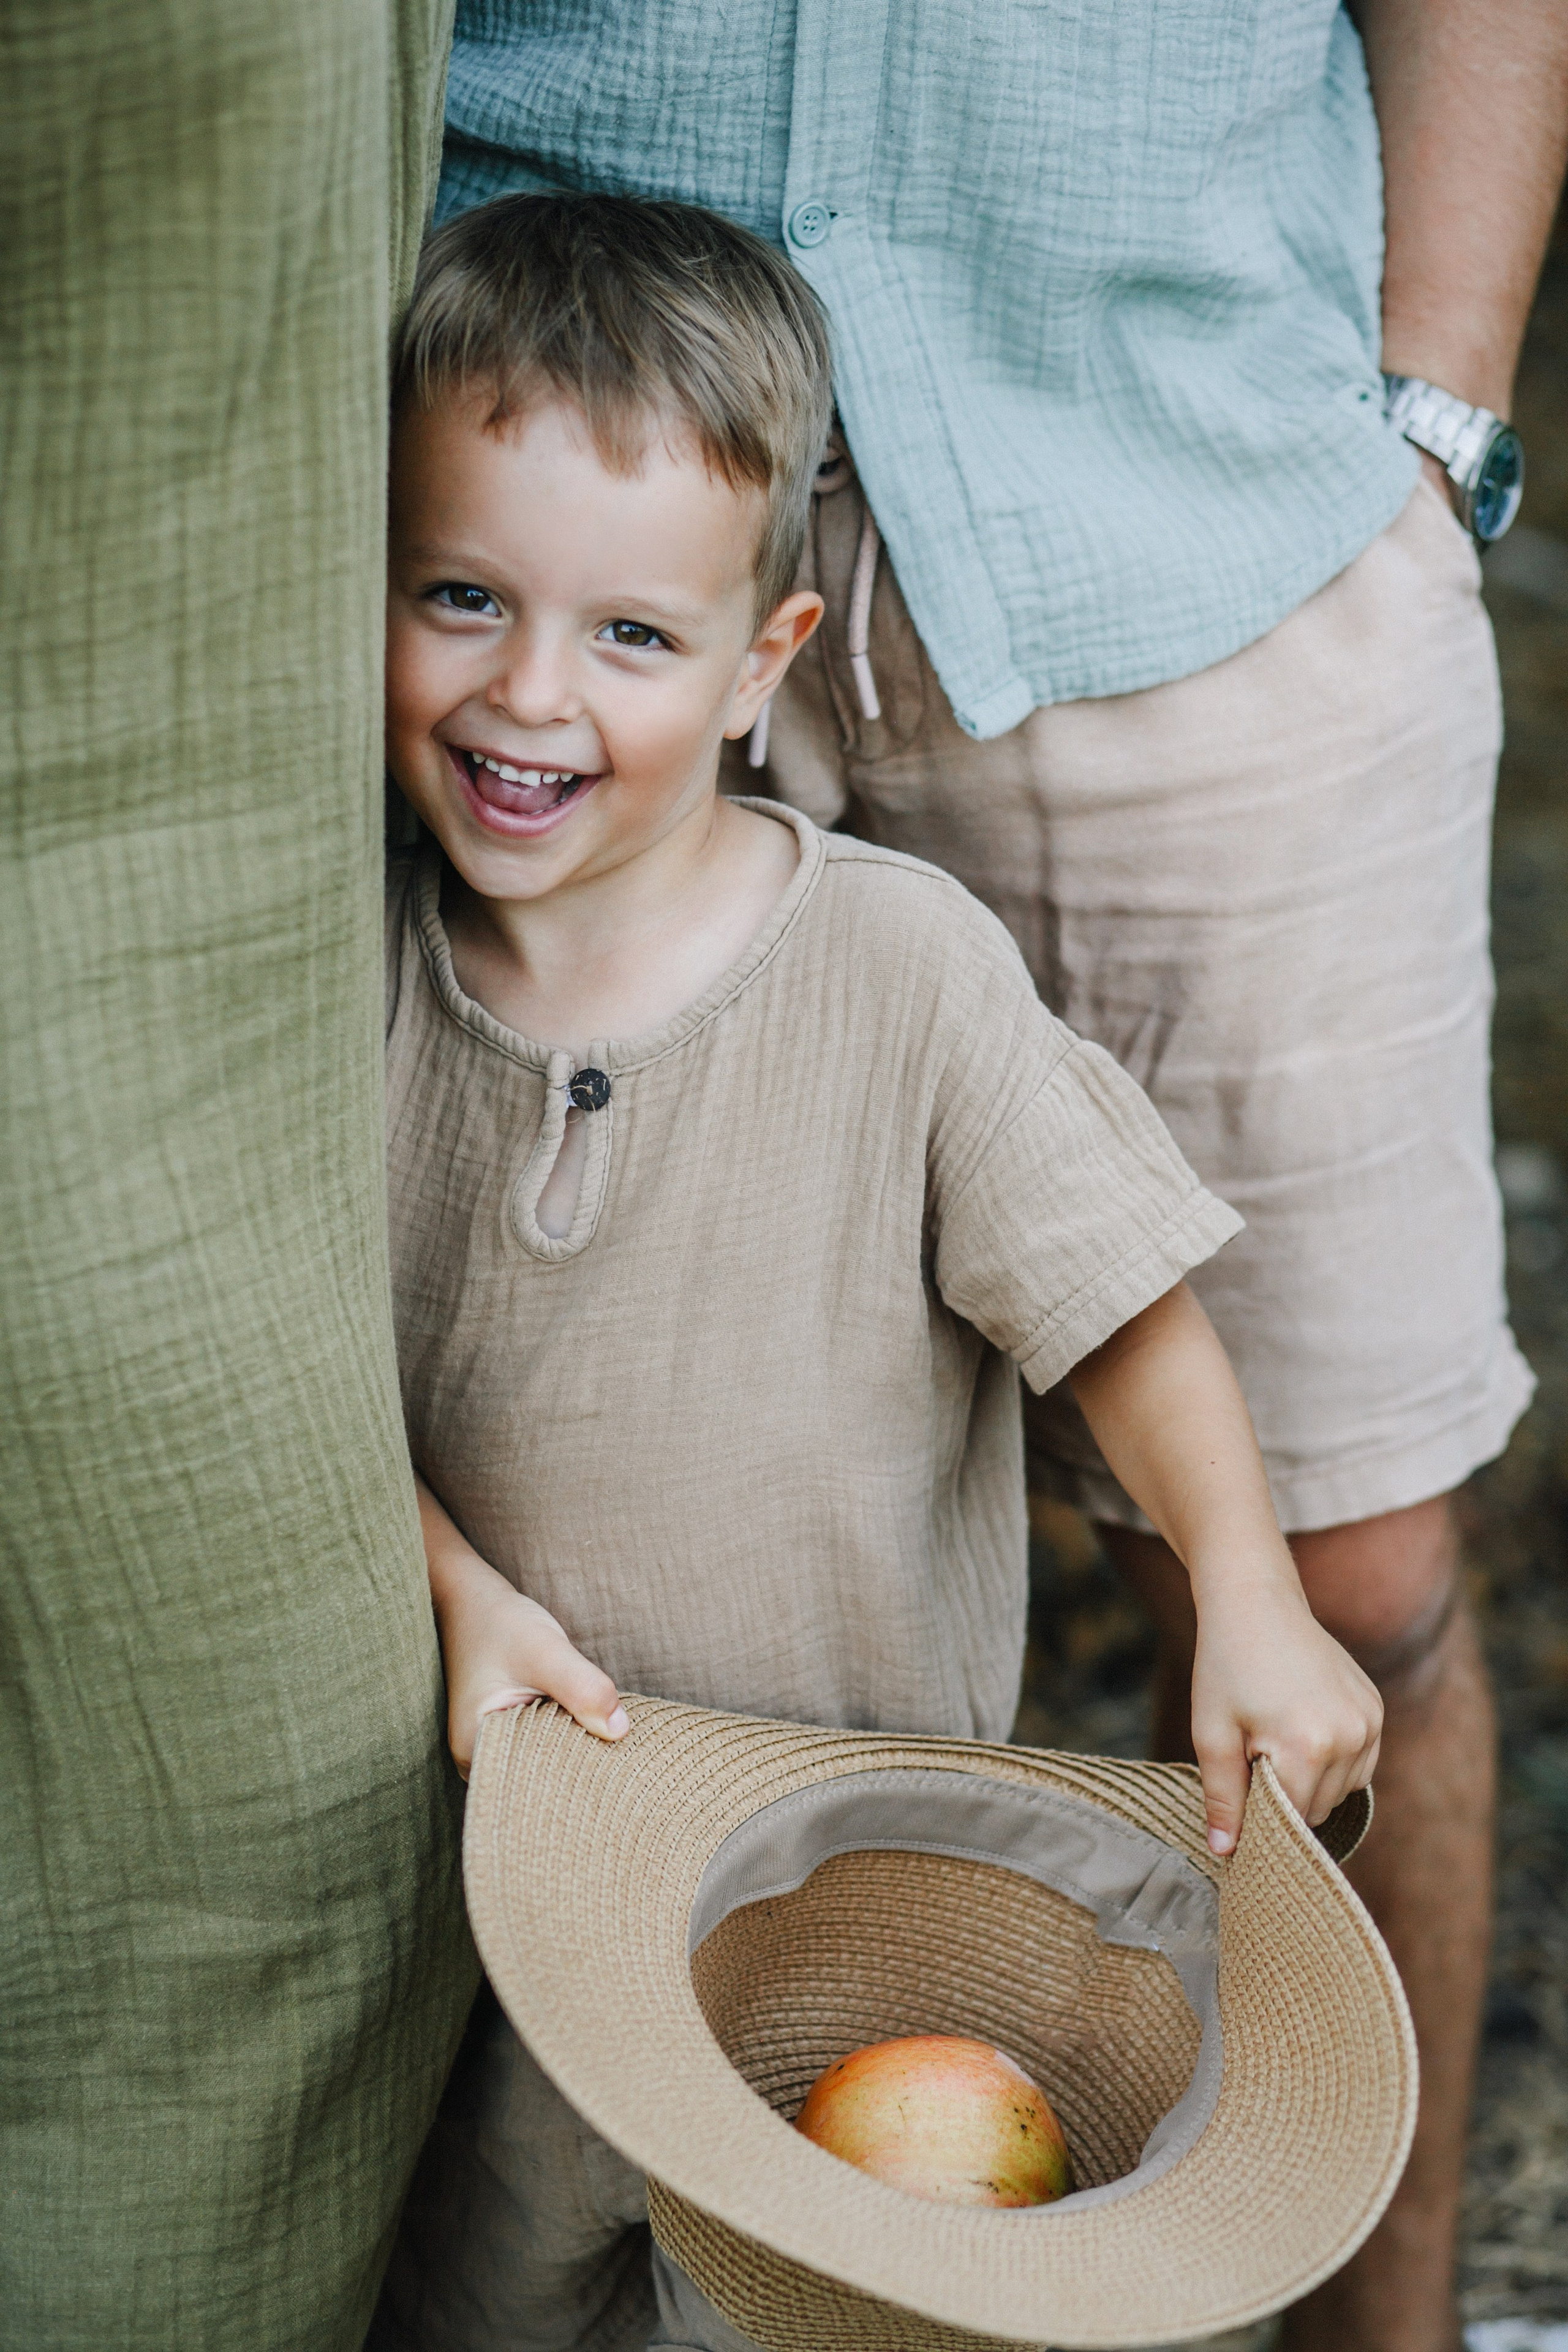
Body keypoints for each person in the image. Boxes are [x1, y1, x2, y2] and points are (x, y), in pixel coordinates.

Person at [429, 9, 1568, 2346]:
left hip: (1179, 501)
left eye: (632, 659)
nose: (524, 687)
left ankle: (1376, 2315)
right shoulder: (439, 827)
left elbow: (1116, 1283)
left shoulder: (894, 967)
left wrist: (1432, 426)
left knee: (1342, 1583)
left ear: (754, 669)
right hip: (535, 417)